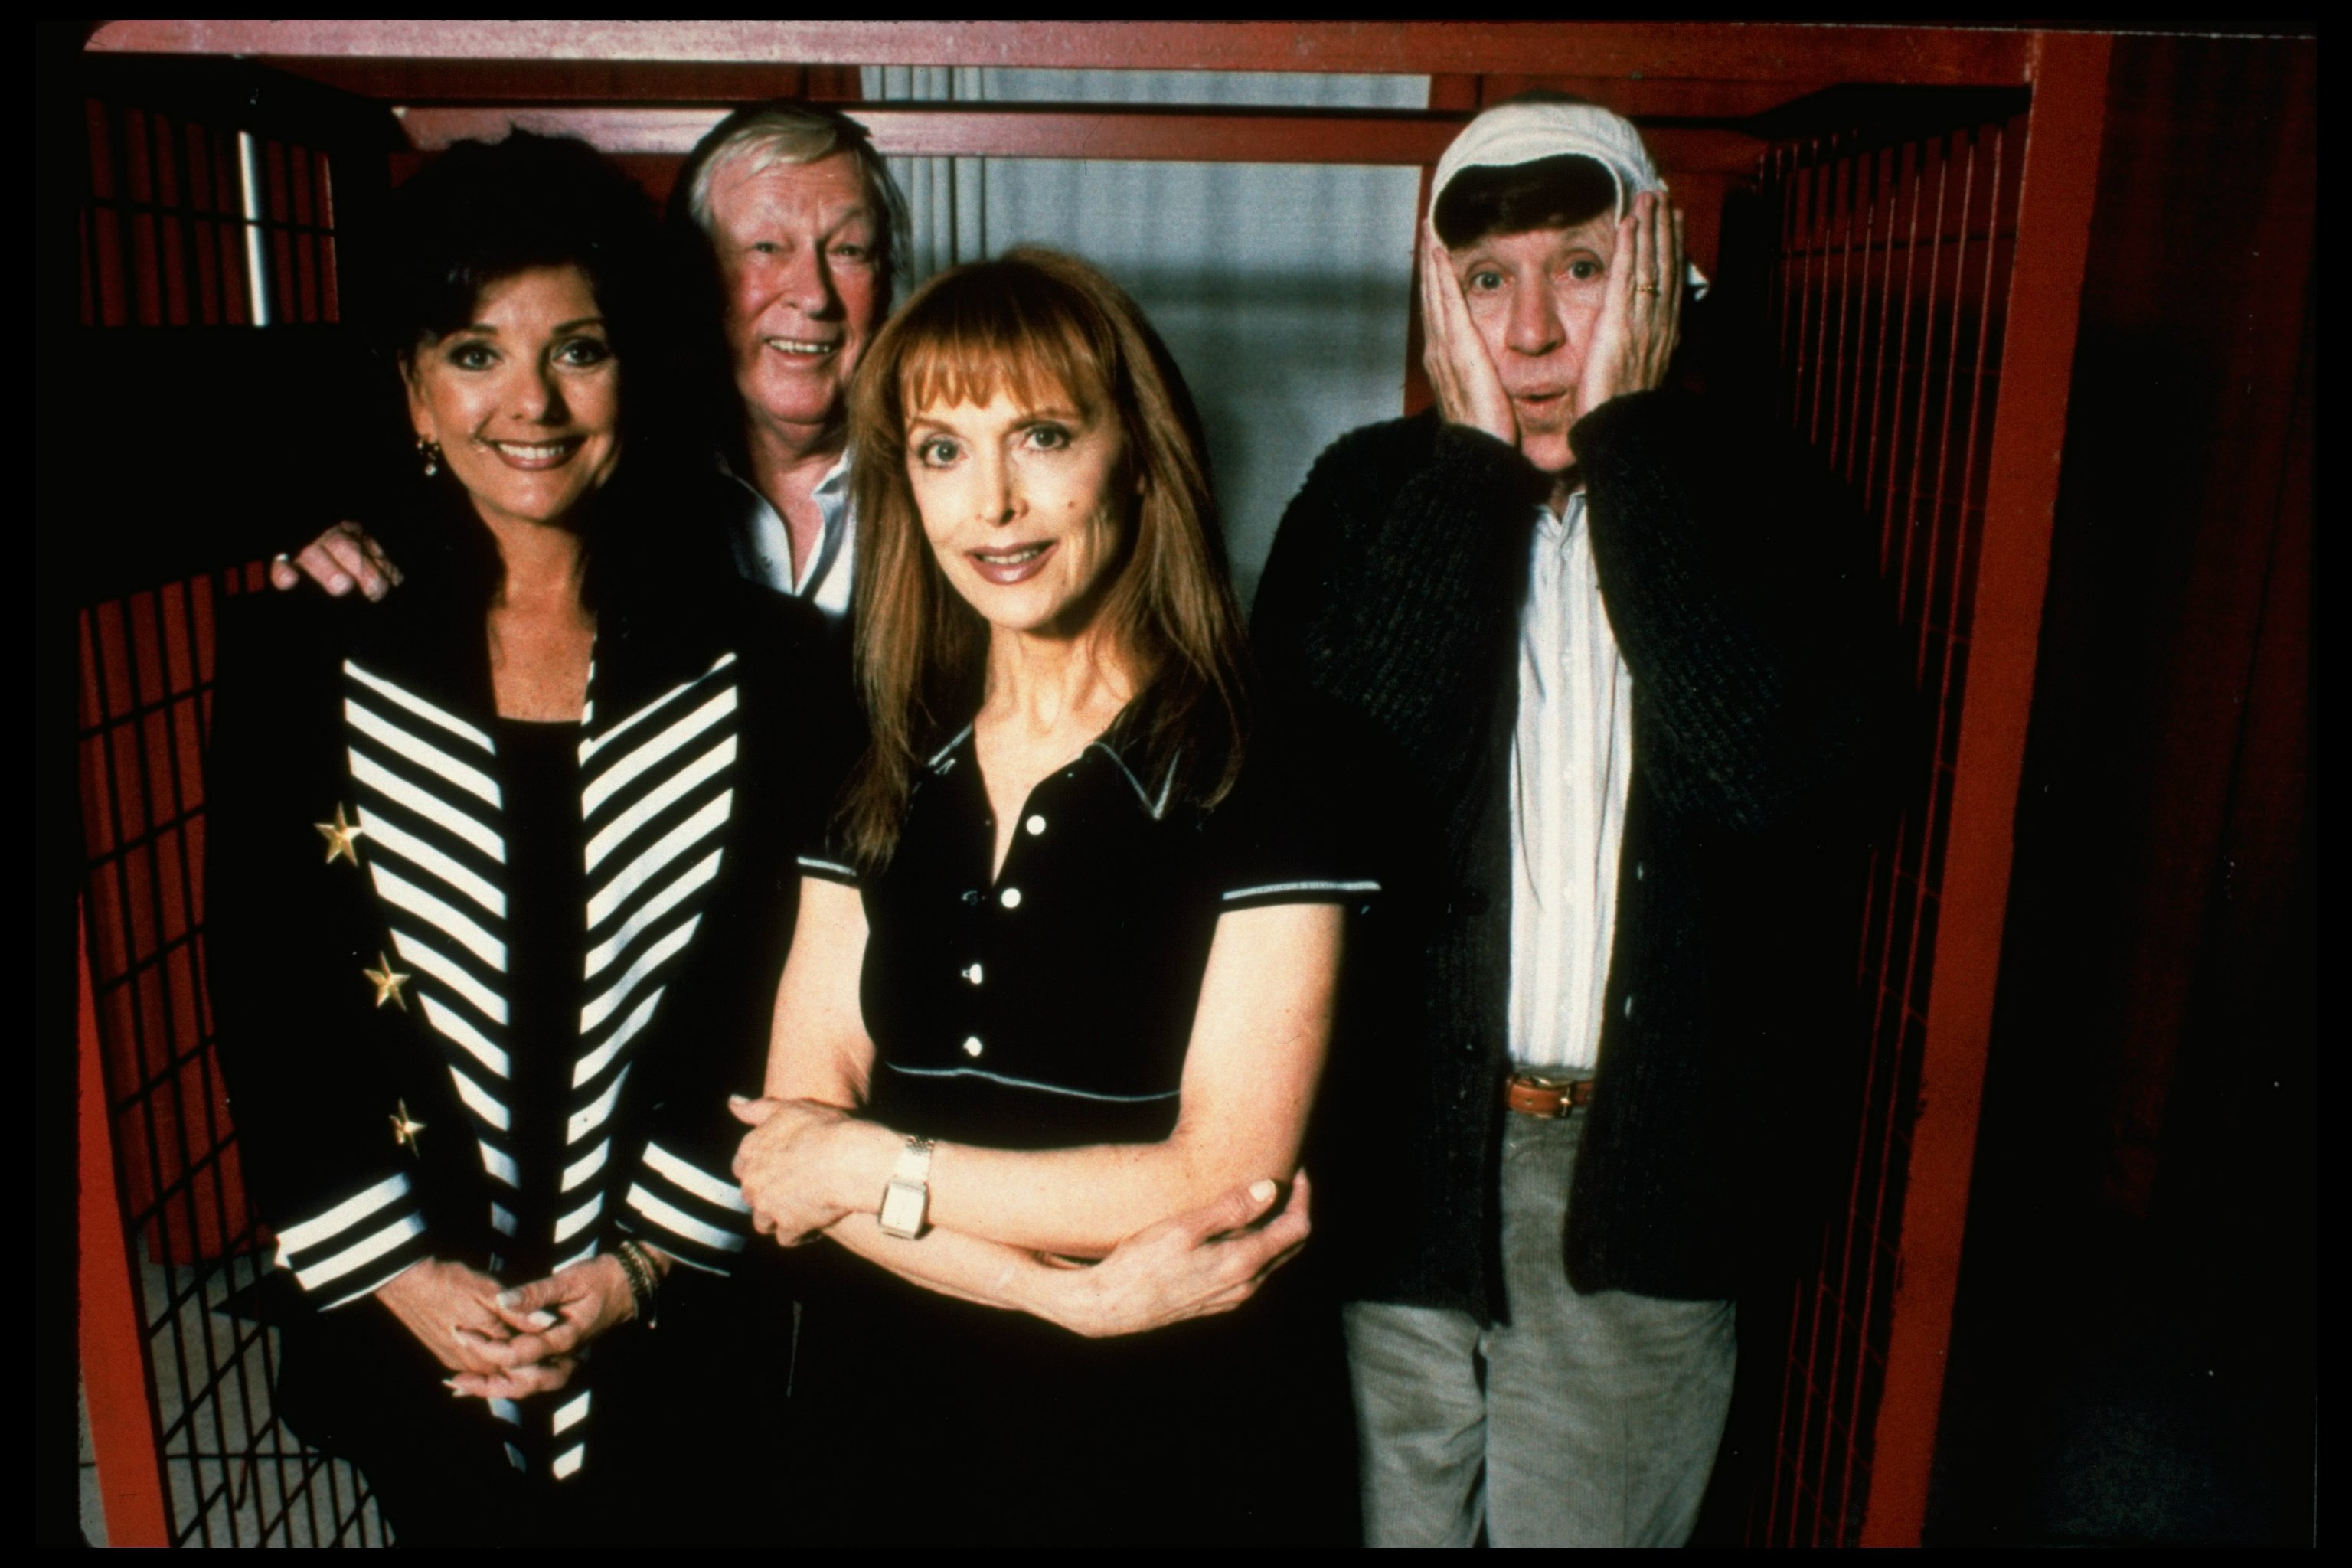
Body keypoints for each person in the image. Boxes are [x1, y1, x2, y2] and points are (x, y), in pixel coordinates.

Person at [1250, 97, 1899, 1547]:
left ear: (1663, 278)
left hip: (1637, 1175)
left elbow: (1767, 786)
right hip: (1392, 1157)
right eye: (1487, 281)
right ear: (1437, 306)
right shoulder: (1366, 495)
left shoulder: (1766, 497)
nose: (1534, 333)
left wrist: (1635, 444)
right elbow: (1341, 805)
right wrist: (1470, 477)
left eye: (1582, 267)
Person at [204, 131, 861, 1544]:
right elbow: (268, 984)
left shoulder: (781, 670)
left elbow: (770, 995)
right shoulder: (300, 655)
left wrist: (638, 1267)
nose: (532, 404)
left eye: (577, 349)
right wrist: (401, 1275)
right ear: (410, 389)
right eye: (472, 353)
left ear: (637, 368)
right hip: (413, 1317)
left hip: (680, 1317)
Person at [727, 247, 1369, 1546]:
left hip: (1166, 1422)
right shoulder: (870, 748)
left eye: (1042, 435)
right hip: (891, 1400)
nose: (996, 505)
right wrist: (1057, 1295)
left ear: (1136, 452)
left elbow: (1221, 1172)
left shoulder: (1279, 762)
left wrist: (873, 1163)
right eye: (942, 450)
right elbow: (790, 1149)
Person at [273, 100, 904, 616]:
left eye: (851, 250)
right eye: (766, 247)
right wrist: (338, 542)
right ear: (691, 278)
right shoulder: (606, 458)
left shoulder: (945, 463)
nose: (815, 295)